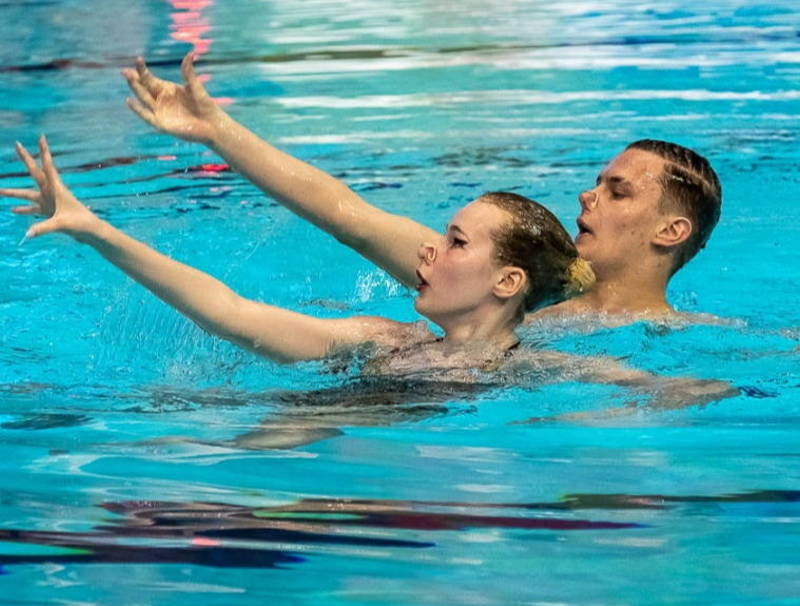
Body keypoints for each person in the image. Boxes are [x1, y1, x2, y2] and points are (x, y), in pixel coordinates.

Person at [122, 54, 723, 325]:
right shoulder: (494, 277)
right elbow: (346, 215)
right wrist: (217, 131)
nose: (587, 198)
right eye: (596, 184)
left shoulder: (693, 345)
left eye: (618, 192)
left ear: (672, 231)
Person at [0, 136, 595, 375]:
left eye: (457, 243)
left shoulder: (537, 374)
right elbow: (230, 314)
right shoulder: (383, 338)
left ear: (508, 280)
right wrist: (96, 231)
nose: (430, 250)